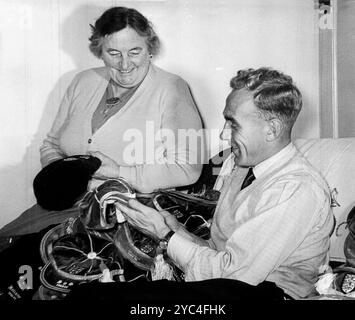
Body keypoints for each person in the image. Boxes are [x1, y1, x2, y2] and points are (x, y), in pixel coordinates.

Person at [103, 67, 334, 301]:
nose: (224, 135)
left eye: (233, 124)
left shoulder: (296, 188)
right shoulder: (241, 167)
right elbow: (218, 253)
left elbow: (234, 278)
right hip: (224, 289)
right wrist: (174, 229)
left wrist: (162, 233)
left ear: (271, 129)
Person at [0, 6, 203, 238]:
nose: (125, 64)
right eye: (114, 53)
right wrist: (66, 179)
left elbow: (188, 169)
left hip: (130, 216)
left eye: (134, 51)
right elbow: (51, 144)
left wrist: (118, 172)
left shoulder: (171, 88)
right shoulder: (82, 82)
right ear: (100, 50)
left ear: (150, 48)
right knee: (6, 242)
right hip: (66, 207)